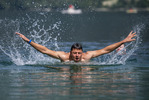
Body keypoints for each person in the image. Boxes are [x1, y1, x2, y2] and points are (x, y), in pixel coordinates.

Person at [16, 31, 136, 62]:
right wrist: (28, 41)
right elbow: (45, 50)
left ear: (82, 52)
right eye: (75, 53)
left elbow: (106, 49)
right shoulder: (64, 57)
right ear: (70, 53)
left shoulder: (87, 56)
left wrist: (122, 41)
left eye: (79, 53)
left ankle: (119, 50)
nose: (77, 56)